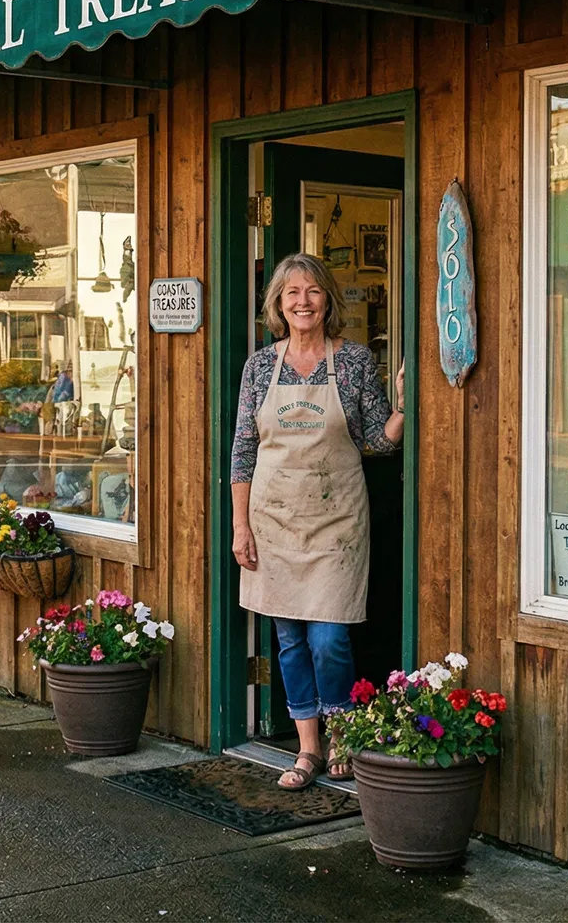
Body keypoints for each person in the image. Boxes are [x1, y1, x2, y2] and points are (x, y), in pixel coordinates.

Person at [231, 252, 406, 789]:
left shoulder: (352, 362)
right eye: (291, 293)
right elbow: (243, 450)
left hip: (335, 524)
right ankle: (307, 749)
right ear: (278, 305)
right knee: (288, 640)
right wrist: (241, 526)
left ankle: (343, 736)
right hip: (274, 520)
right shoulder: (261, 366)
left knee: (330, 639)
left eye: (311, 291)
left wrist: (403, 404)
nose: (302, 302)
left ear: (327, 299)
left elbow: (376, 441)